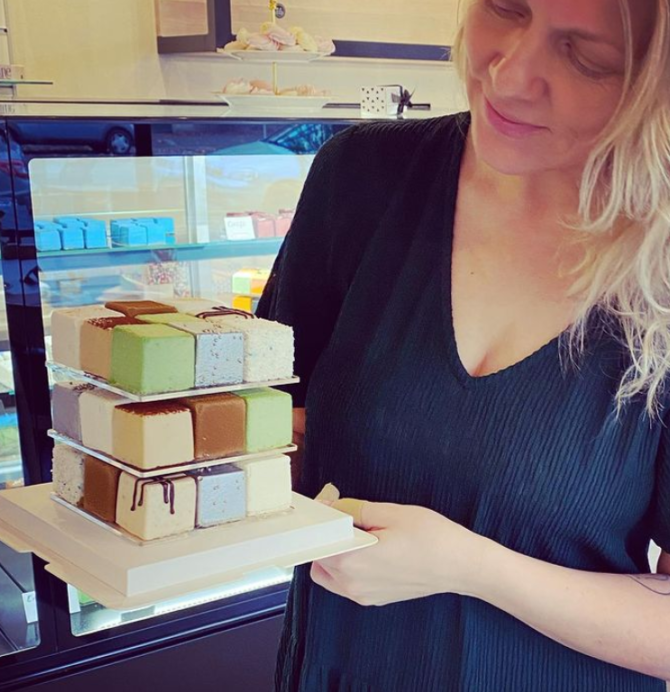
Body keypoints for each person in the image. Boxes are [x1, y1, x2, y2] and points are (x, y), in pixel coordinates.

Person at [256, 0, 670, 689]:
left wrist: (473, 569)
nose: (509, 76)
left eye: (585, 55)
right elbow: (287, 428)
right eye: (505, 8)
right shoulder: (361, 176)